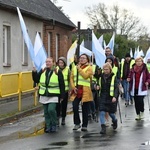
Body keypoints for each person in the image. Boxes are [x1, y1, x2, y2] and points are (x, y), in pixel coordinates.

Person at [32, 57, 65, 133]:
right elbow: (36, 79)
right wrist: (34, 72)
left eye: (49, 62)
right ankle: (48, 126)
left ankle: (54, 124)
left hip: (54, 94)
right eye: (46, 62)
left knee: (51, 110)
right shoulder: (43, 71)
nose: (47, 63)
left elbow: (61, 84)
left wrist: (62, 96)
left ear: (53, 63)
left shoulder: (57, 71)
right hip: (44, 94)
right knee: (46, 112)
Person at [70, 53, 93, 131]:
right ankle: (77, 123)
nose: (82, 59)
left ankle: (84, 125)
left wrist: (79, 69)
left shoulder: (89, 68)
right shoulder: (74, 67)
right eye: (81, 58)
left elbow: (85, 76)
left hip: (85, 90)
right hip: (77, 89)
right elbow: (71, 78)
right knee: (75, 106)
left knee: (85, 108)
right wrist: (73, 87)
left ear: (87, 60)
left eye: (84, 58)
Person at [98, 62, 119, 134]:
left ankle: (115, 120)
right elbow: (98, 84)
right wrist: (97, 87)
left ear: (110, 69)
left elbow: (116, 88)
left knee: (111, 113)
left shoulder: (113, 77)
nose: (105, 71)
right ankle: (103, 127)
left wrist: (114, 97)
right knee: (102, 112)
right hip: (103, 96)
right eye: (104, 69)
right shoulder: (101, 77)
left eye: (107, 69)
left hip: (110, 97)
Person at [56, 57, 70, 126]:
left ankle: (63, 118)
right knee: (58, 105)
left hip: (65, 90)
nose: (60, 64)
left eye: (62, 63)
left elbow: (69, 80)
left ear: (64, 63)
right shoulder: (56, 70)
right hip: (57, 90)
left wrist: (70, 90)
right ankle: (57, 118)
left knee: (64, 105)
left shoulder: (67, 69)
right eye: (59, 63)